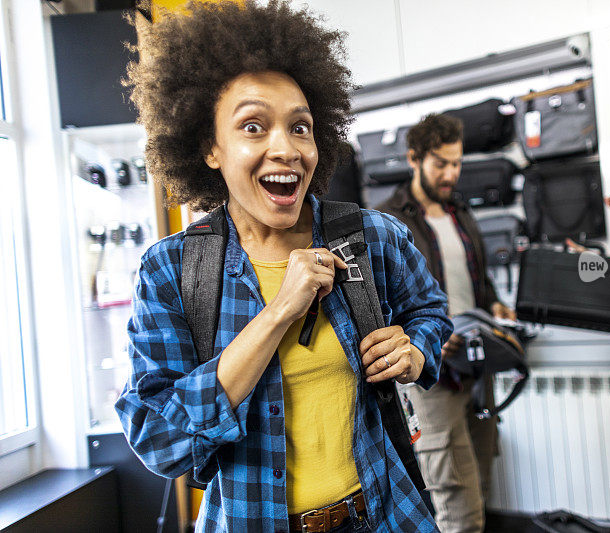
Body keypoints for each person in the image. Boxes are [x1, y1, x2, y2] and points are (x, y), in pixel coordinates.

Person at [114, 2, 452, 531]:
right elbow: (161, 440)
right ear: (209, 148)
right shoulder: (172, 271)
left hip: (383, 517)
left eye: (300, 127)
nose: (286, 149)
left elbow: (429, 311)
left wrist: (414, 349)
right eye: (253, 126)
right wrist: (278, 313)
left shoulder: (369, 237)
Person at [377, 114, 516, 533]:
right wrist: (430, 337)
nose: (451, 173)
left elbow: (478, 280)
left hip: (475, 371)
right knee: (457, 505)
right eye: (441, 163)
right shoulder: (387, 220)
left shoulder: (460, 213)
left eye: (457, 163)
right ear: (414, 158)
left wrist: (496, 306)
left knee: (481, 487)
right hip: (431, 379)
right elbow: (382, 304)